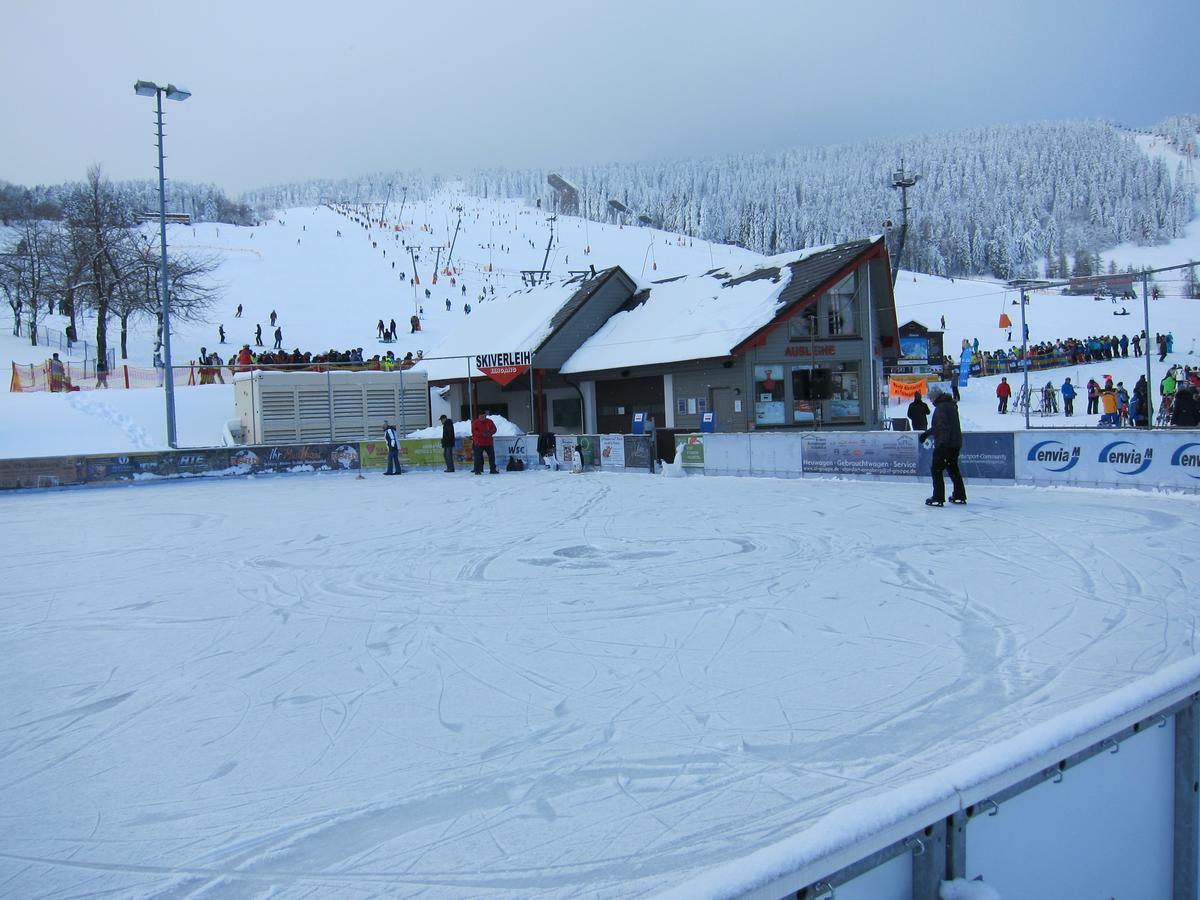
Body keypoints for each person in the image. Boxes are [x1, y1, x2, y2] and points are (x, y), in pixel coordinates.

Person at [919, 388, 966, 507]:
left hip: (945, 443)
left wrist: (928, 435)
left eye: (931, 398)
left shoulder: (941, 408)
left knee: (936, 469)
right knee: (953, 468)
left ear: (935, 397)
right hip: (955, 442)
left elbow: (940, 427)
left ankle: (938, 497)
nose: (930, 400)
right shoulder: (951, 405)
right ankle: (959, 494)